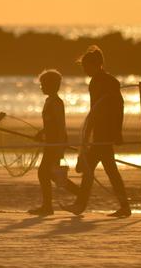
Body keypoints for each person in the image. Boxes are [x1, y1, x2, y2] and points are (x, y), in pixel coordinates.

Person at [66, 46, 131, 218]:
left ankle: (81, 204)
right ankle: (123, 206)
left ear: (97, 64)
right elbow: (98, 109)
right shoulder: (100, 81)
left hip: (105, 132)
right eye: (83, 67)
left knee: (93, 168)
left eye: (87, 67)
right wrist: (91, 133)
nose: (85, 70)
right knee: (101, 169)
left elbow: (116, 107)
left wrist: (117, 132)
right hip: (102, 132)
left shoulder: (105, 82)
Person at [28, 68, 80, 216]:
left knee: (43, 173)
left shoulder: (57, 102)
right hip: (50, 142)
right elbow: (49, 124)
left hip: (55, 143)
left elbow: (60, 124)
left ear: (52, 85)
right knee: (53, 175)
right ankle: (81, 193)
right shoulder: (48, 101)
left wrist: (59, 145)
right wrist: (42, 133)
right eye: (41, 84)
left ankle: (47, 207)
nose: (41, 87)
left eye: (44, 84)